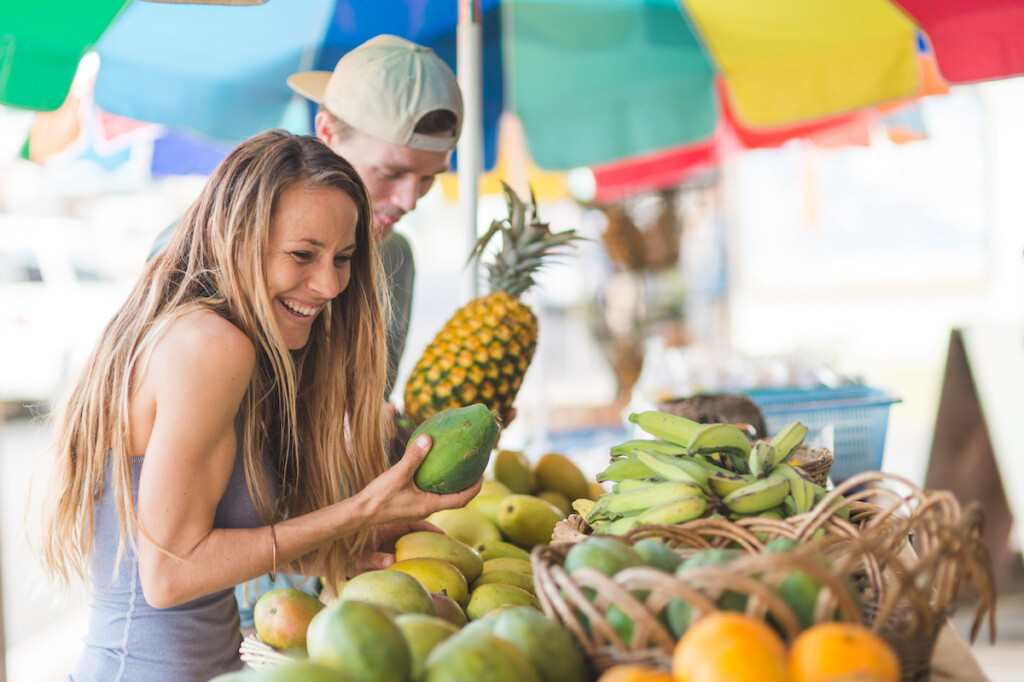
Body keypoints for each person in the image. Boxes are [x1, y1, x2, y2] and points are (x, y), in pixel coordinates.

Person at [35, 130, 482, 681]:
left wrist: (333, 551)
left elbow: (205, 544)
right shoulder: (211, 345)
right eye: (302, 254)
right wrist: (363, 509)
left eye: (342, 258)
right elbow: (169, 575)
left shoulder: (209, 333)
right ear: (237, 238)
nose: (329, 285)